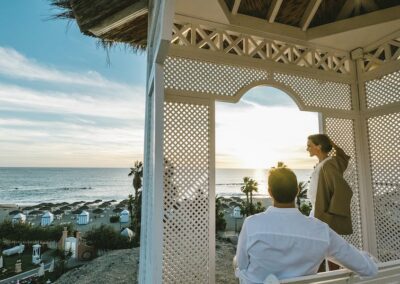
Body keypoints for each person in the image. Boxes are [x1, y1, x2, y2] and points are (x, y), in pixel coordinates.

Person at [235, 167, 377, 283]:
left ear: (270, 192)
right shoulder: (320, 231)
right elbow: (367, 268)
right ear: (297, 190)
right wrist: (368, 258)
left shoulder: (252, 224)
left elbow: (241, 264)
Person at [306, 134, 353, 235]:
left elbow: (344, 190)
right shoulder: (323, 164)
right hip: (316, 212)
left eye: (309, 145)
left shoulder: (328, 165)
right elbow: (342, 157)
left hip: (322, 215)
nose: (307, 149)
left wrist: (329, 214)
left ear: (319, 146)